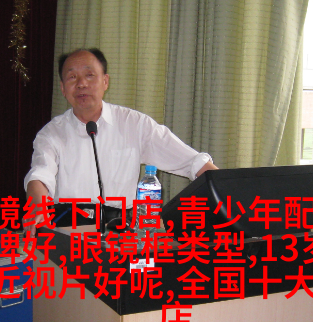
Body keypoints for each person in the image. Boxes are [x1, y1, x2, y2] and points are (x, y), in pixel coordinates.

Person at [24, 48, 217, 233]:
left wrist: (226, 187)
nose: (81, 83)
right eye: (72, 77)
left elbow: (190, 161)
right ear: (63, 88)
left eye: (89, 75)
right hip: (68, 234)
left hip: (120, 233)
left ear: (105, 81)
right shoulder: (51, 133)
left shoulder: (134, 124)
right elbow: (41, 174)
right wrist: (37, 205)